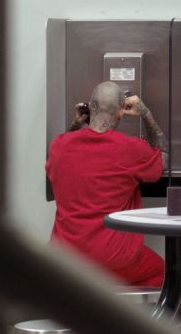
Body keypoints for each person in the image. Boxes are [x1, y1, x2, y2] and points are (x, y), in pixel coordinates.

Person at [47, 81, 169, 287]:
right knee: (165, 275)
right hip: (115, 260)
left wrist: (77, 124)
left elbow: (63, 150)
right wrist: (146, 114)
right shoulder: (132, 150)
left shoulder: (59, 145)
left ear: (90, 107)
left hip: (64, 259)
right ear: (121, 112)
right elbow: (162, 158)